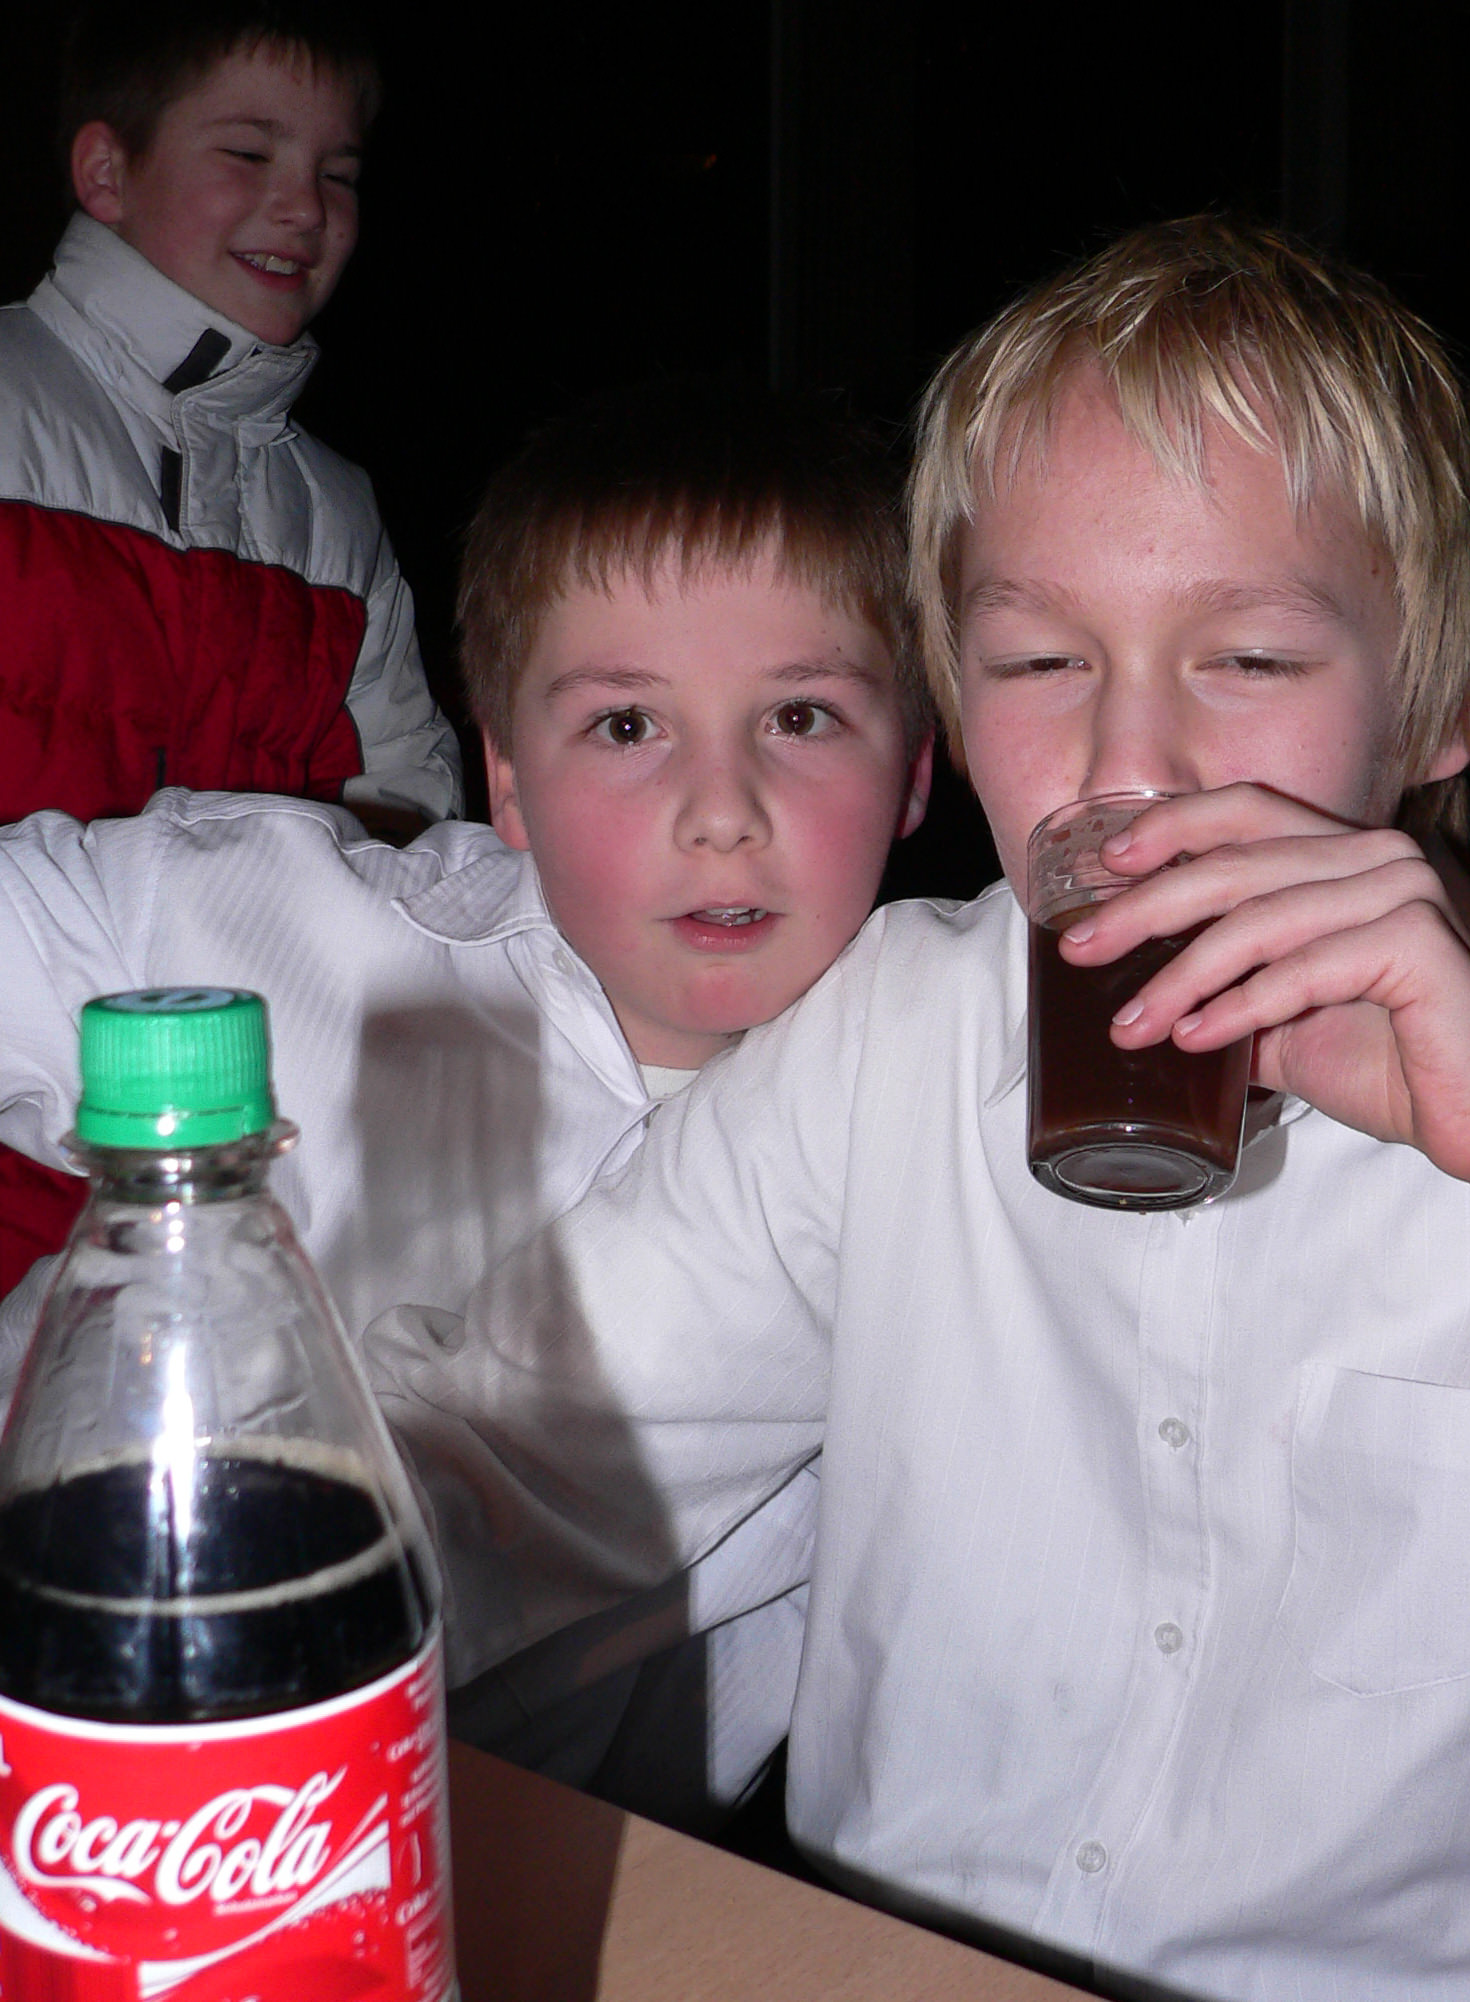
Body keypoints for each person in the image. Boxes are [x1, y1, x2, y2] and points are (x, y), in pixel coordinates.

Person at [366, 218, 1470, 2000]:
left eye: (1245, 659)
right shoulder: (889, 1035)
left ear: (1448, 695)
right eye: (1040, 663)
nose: (1124, 770)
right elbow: (497, 1458)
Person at [0, 385, 934, 1829]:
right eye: (628, 723)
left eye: (800, 716)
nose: (721, 809)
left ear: (917, 765)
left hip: (503, 1866)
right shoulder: (266, 918)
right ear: (506, 774)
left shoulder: (937, 1126)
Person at [0, 1, 463, 1296]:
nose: (302, 206)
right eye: (249, 153)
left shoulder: (337, 513)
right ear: (107, 170)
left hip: (233, 1199)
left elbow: (412, 838)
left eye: (338, 172)